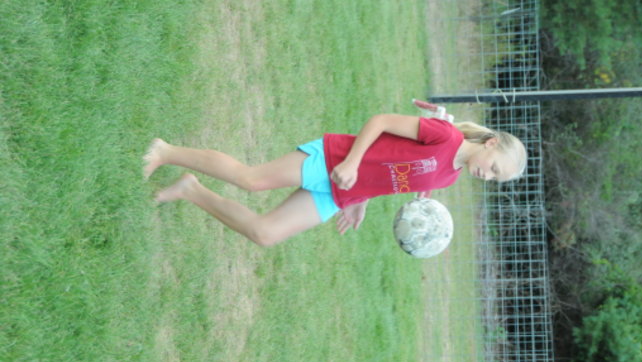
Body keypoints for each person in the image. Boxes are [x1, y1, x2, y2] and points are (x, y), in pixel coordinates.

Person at [143, 113, 526, 247]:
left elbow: (393, 173)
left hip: (341, 194)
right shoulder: (444, 136)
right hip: (336, 160)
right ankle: (164, 151)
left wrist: (360, 200)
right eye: (494, 168)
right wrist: (353, 162)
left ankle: (189, 190)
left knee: (265, 234)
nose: (488, 176)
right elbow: (380, 122)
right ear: (491, 143)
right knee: (250, 180)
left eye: (495, 180)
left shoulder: (447, 179)